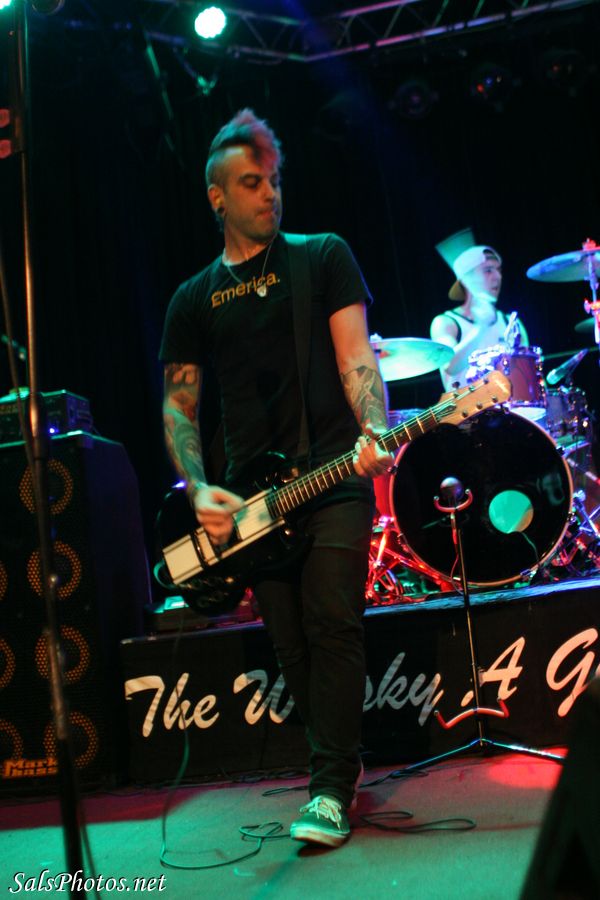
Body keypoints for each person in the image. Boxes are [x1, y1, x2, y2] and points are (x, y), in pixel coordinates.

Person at [159, 109, 394, 848]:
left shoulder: (321, 256)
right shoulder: (193, 298)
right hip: (254, 502)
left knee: (333, 622)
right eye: (251, 184)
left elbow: (357, 358)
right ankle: (337, 763)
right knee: (291, 647)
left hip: (334, 474)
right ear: (216, 196)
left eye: (274, 180)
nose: (270, 194)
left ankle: (330, 788)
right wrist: (198, 486)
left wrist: (375, 428)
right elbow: (179, 406)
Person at [430, 244, 529, 391]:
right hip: (466, 405)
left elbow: (529, 374)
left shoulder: (511, 322)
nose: (498, 277)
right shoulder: (446, 322)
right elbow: (450, 366)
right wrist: (480, 328)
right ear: (466, 280)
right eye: (488, 270)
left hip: (511, 404)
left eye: (498, 270)